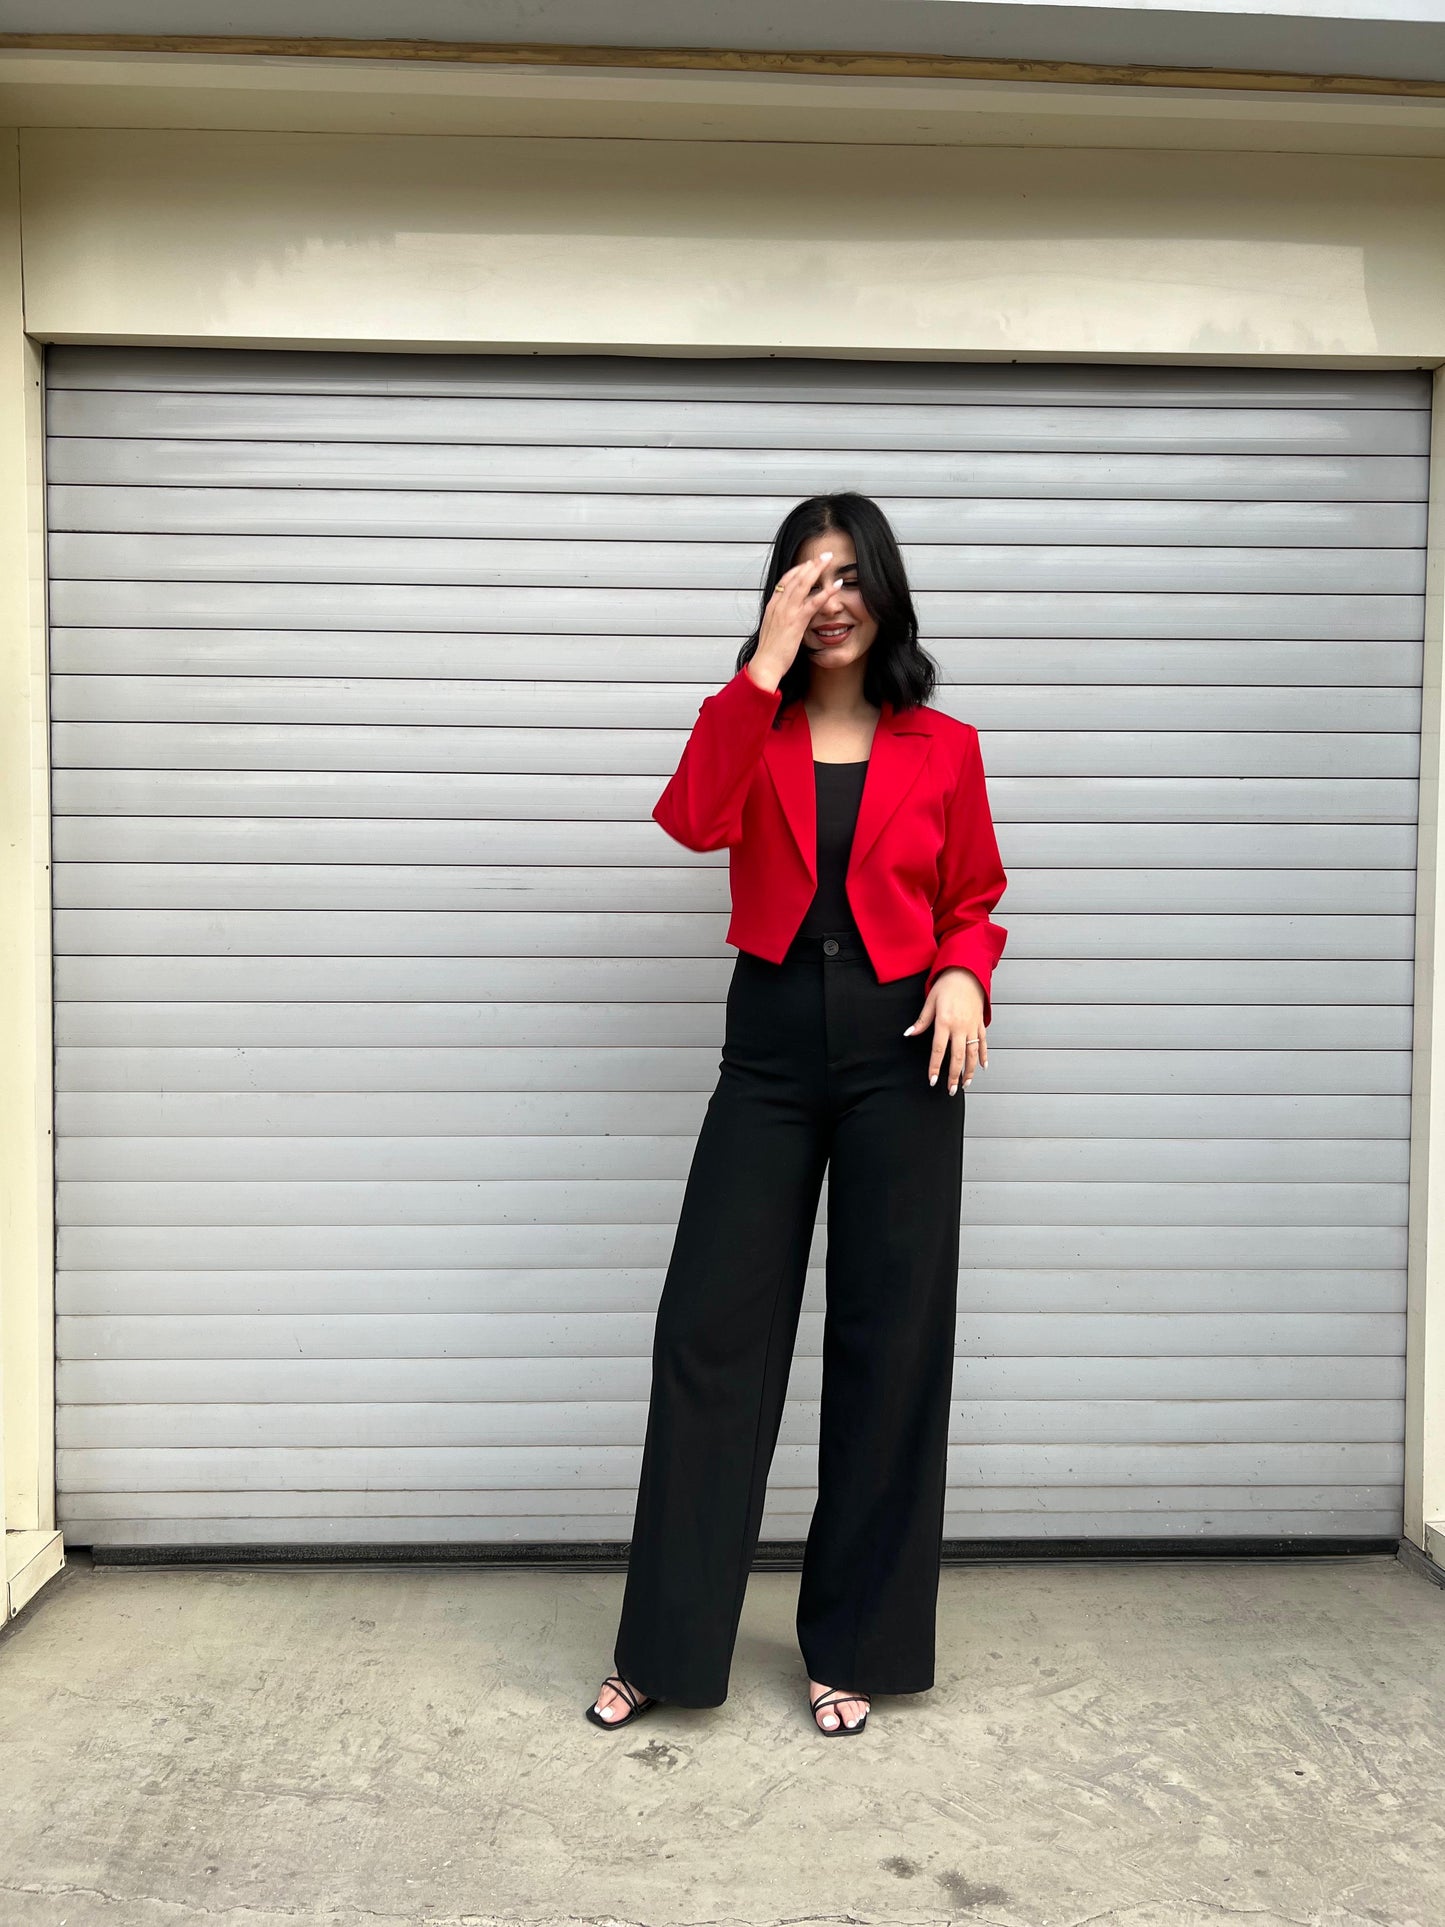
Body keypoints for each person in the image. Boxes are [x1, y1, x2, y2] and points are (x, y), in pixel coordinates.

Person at [586, 493, 1008, 1736]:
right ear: (778, 597)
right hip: (767, 1048)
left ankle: (853, 1646)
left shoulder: (945, 745)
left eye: (846, 576)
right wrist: (757, 670)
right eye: (803, 578)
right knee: (708, 1338)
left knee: (890, 1347)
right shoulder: (748, 731)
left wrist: (960, 969)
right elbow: (690, 820)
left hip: (903, 1051)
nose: (829, 598)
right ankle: (665, 1648)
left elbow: (975, 892)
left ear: (883, 590)